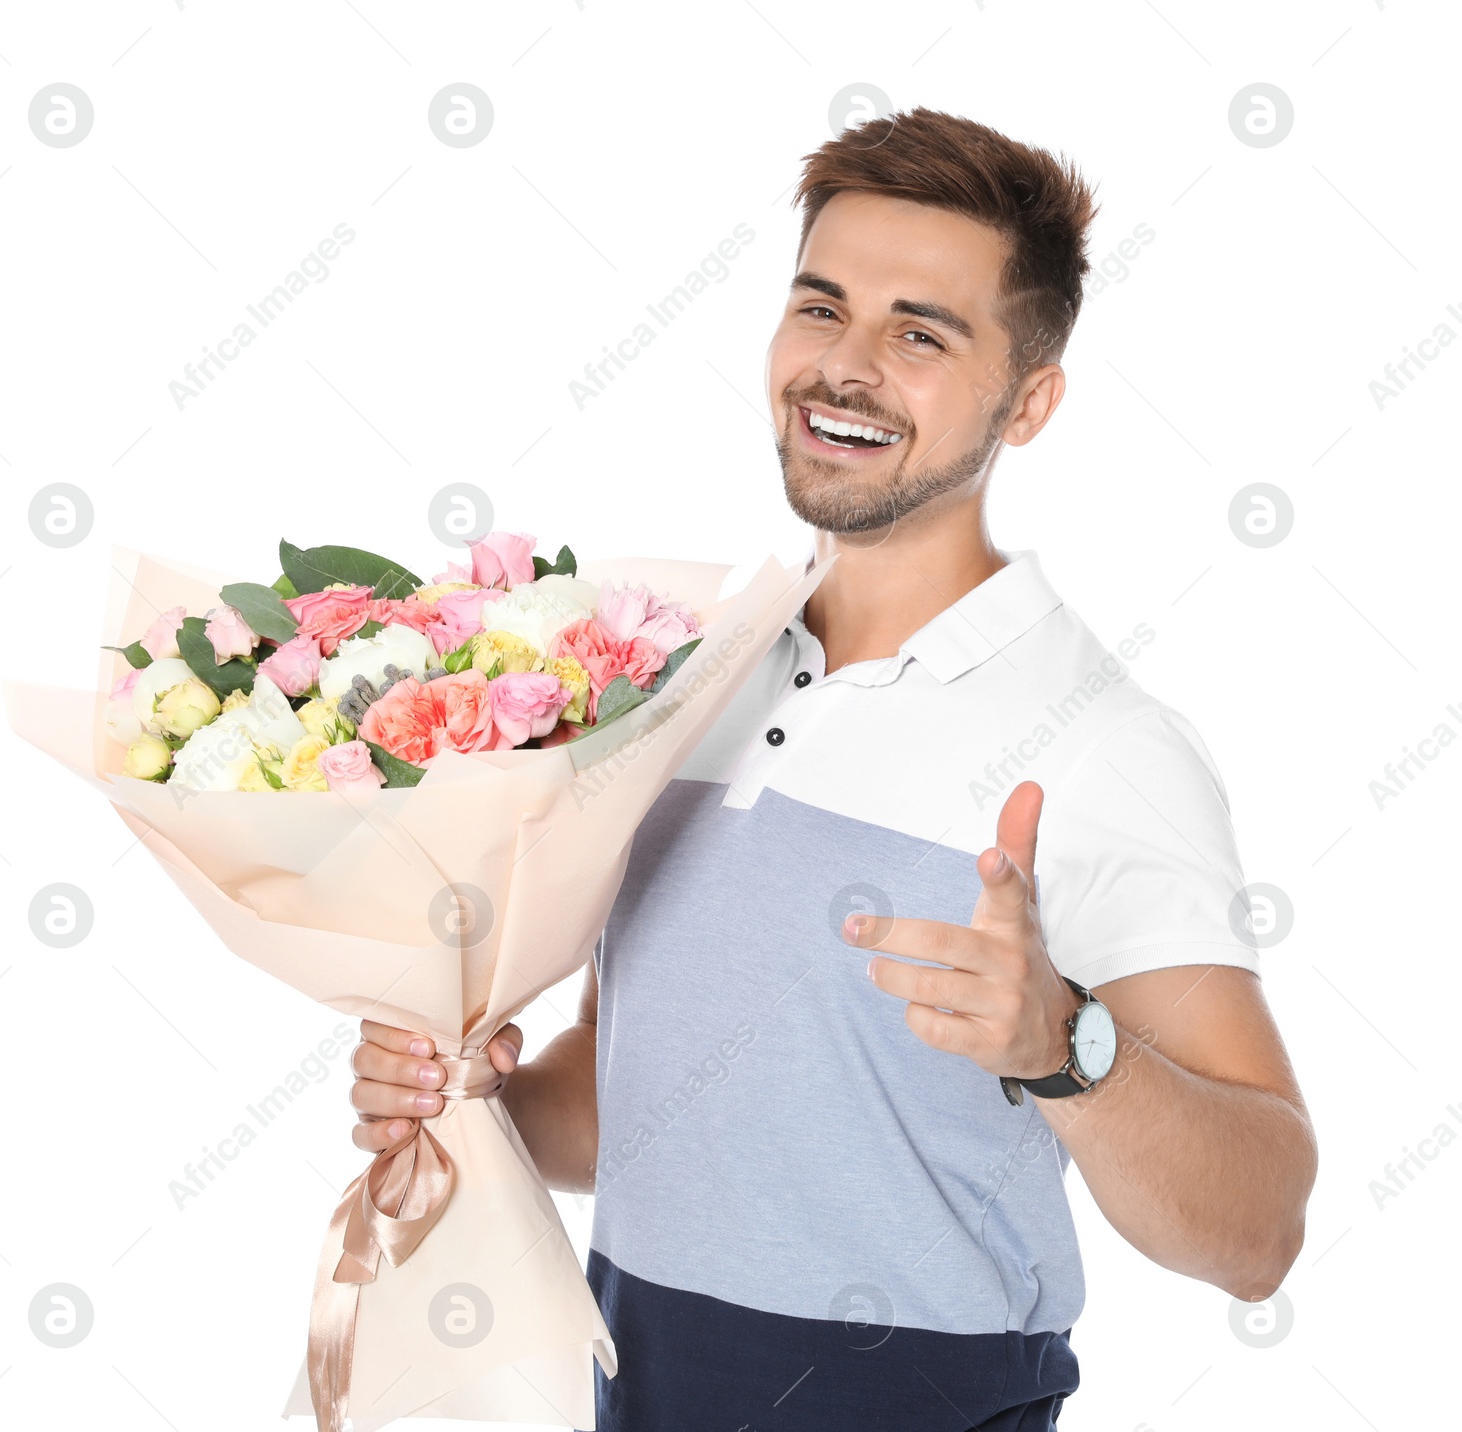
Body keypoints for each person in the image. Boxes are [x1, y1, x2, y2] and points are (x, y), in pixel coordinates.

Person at [349, 107, 1316, 1430]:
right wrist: (478, 1104)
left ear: (1028, 400)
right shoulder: (683, 685)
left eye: (922, 333)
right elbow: (634, 1103)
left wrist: (1064, 1045)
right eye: (823, 308)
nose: (846, 368)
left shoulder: (1103, 748)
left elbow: (1258, 1229)